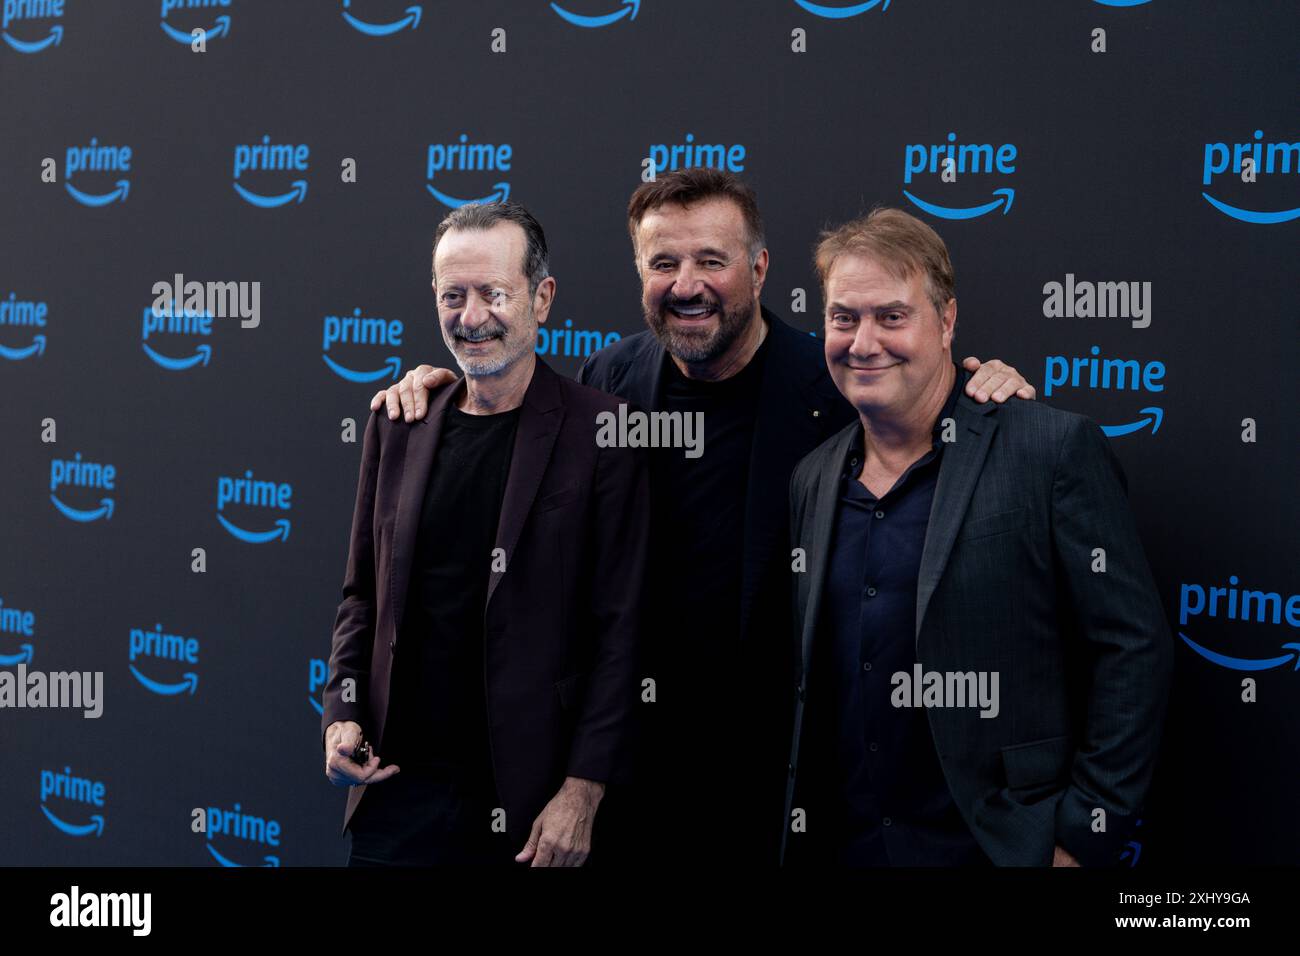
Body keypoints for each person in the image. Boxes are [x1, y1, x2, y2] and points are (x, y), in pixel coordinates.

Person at [369, 169, 1034, 865]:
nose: (687, 284)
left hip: (784, 786)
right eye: (664, 263)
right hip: (629, 779)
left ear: (759, 269)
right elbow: (508, 416)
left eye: (711, 261)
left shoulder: (835, 384)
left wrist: (983, 387)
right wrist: (437, 387)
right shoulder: (609, 381)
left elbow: (923, 408)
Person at [784, 207, 1172, 866]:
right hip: (847, 848)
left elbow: (1132, 648)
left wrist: (1081, 836)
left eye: (892, 316)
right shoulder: (813, 478)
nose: (864, 340)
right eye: (844, 317)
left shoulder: (1047, 449)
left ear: (947, 321)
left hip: (997, 849)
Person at [321, 201, 649, 866]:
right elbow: (362, 596)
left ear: (542, 297)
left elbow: (624, 632)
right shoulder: (397, 423)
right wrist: (342, 714)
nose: (471, 318)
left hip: (531, 810)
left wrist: (581, 795)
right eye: (453, 295)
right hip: (394, 797)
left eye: (494, 293)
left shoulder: (606, 431)